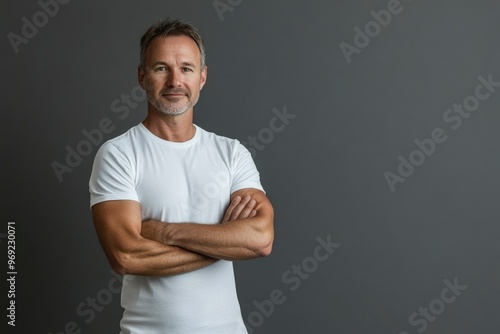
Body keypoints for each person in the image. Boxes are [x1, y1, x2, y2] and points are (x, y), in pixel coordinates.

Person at [88, 18, 274, 333]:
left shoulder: (231, 153)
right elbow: (126, 255)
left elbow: (259, 239)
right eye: (161, 68)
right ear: (141, 76)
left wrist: (163, 232)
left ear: (202, 77)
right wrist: (224, 241)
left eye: (186, 68)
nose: (175, 80)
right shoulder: (118, 154)